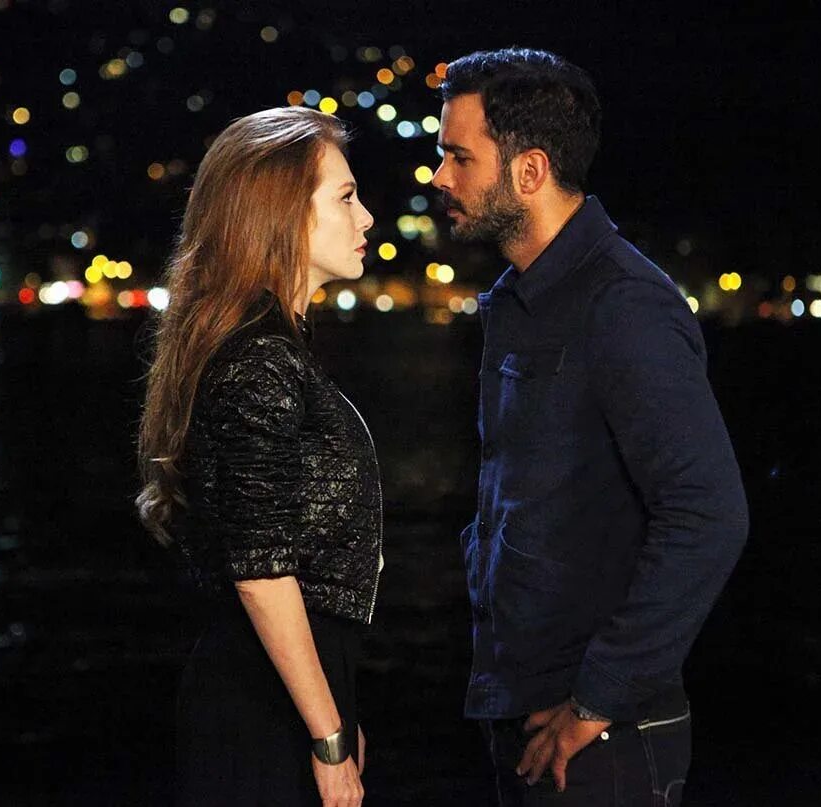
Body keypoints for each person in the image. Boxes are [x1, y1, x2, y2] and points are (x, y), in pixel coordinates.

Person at [431, 48, 749, 806]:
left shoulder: (624, 305)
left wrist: (597, 698)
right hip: (531, 711)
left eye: (458, 157)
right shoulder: (524, 299)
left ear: (529, 171)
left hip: (600, 739)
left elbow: (709, 513)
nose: (440, 177)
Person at [135, 106, 380, 807]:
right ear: (283, 215)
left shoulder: (273, 351)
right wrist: (328, 735)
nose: (366, 218)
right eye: (345, 197)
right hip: (264, 701)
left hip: (288, 688)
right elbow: (261, 570)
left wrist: (335, 713)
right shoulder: (260, 361)